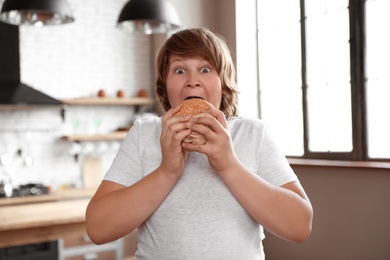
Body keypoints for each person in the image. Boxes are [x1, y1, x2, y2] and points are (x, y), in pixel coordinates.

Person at [86, 27, 313, 260]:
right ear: (164, 86)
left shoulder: (253, 134)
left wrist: (228, 165)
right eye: (180, 70)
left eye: (205, 69)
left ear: (223, 84)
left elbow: (299, 227)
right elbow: (98, 229)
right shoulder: (144, 134)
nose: (192, 81)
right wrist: (167, 172)